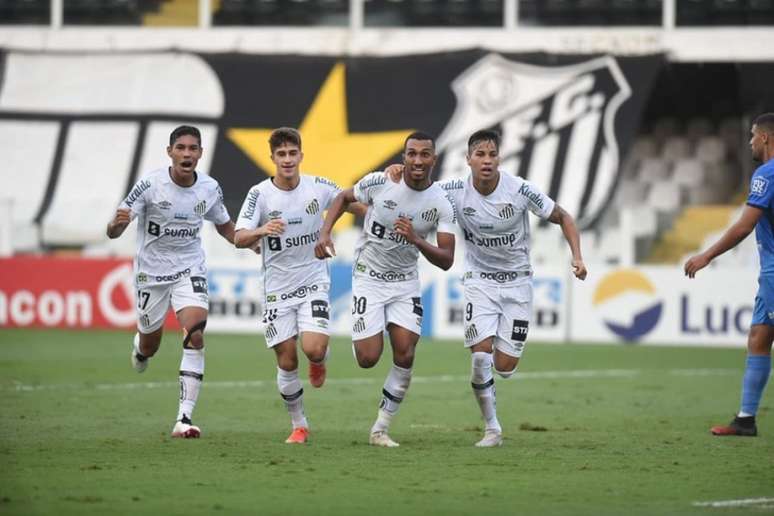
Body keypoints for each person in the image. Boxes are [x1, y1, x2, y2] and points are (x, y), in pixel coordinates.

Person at [385, 129, 587, 447]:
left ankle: (496, 390)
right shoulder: (452, 190)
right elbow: (419, 187)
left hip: (518, 283)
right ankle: (492, 429)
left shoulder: (520, 190)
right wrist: (395, 172)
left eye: (492, 154)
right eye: (480, 155)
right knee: (480, 360)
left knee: (504, 367)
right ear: (468, 160)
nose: (487, 161)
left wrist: (577, 257)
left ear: (499, 158)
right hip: (479, 282)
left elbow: (564, 217)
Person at [315, 131, 456, 447]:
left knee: (405, 353)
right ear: (404, 157)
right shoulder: (381, 182)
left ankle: (380, 428)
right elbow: (342, 197)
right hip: (369, 277)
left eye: (424, 154)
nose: (418, 160)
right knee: (368, 359)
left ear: (434, 158)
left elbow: (447, 260)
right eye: (412, 154)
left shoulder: (442, 203)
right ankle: (360, 338)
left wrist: (417, 240)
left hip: (405, 283)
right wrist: (325, 233)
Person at [233, 127, 366, 444]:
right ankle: (299, 425)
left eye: (293, 153)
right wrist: (263, 229)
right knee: (287, 360)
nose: (288, 160)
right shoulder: (260, 195)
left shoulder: (318, 187)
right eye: (281, 154)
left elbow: (351, 203)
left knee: (313, 348)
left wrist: (379, 218)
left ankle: (319, 361)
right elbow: (239, 237)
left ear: (301, 155)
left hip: (313, 282)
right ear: (273, 159)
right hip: (276, 289)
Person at [107, 125, 235, 439]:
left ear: (200, 154)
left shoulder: (209, 188)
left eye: (193, 148)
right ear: (170, 152)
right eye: (181, 148)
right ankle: (141, 348)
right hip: (151, 275)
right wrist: (115, 226)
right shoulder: (150, 184)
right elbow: (115, 228)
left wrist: (250, 240)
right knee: (151, 344)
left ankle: (184, 419)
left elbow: (225, 226)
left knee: (195, 332)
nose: (187, 154)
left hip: (189, 269)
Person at [685, 112, 774, 437]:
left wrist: (707, 255)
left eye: (753, 135)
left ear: (765, 137)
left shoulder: (767, 173)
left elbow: (744, 226)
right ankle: (746, 419)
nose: (750, 140)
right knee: (759, 337)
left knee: (761, 337)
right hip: (769, 270)